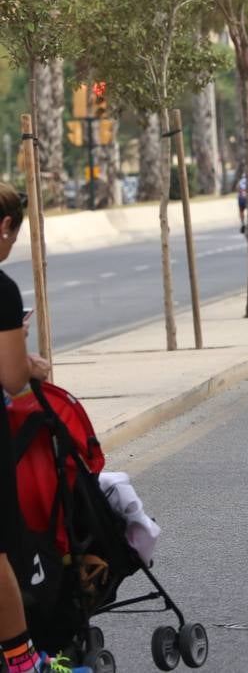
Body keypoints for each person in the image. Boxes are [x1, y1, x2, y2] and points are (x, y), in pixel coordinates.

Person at [0, 184, 78, 673]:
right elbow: (10, 378)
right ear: (5, 226)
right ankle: (22, 659)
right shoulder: (2, 291)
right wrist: (27, 361)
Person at [235, 169, 247, 234]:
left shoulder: (240, 181)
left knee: (241, 211)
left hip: (241, 198)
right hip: (247, 198)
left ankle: (242, 222)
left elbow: (238, 188)